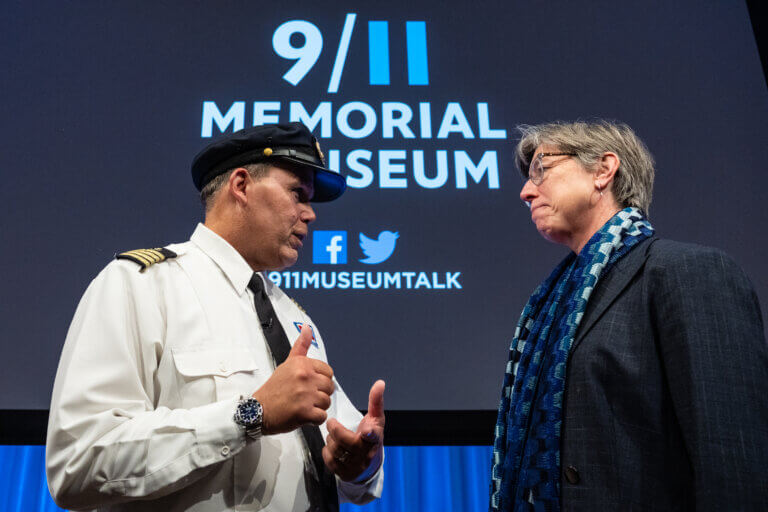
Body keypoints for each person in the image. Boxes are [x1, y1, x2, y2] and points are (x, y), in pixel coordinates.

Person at [46, 122, 385, 511]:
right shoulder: (140, 285)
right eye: (297, 193)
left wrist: (359, 466)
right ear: (241, 186)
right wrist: (250, 415)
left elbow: (347, 466)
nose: (310, 214)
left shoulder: (295, 320)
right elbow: (77, 464)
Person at [489, 120, 768, 511]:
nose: (526, 191)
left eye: (542, 169)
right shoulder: (552, 302)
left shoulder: (688, 271)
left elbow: (732, 455)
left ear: (604, 170)